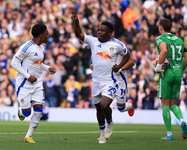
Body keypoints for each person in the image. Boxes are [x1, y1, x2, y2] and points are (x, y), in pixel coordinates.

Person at [71, 10, 133, 144]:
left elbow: (128, 56)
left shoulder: (117, 45)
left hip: (110, 81)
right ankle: (102, 132)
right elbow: (78, 34)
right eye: (98, 30)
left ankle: (109, 123)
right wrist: (76, 21)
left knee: (105, 106)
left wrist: (120, 66)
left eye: (102, 30)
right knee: (98, 107)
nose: (99, 32)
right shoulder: (93, 41)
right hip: (96, 81)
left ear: (110, 33)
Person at [10, 24, 56, 143]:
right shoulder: (26, 47)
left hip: (37, 82)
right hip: (24, 83)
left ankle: (28, 136)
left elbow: (37, 63)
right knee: (26, 113)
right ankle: (21, 109)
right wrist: (27, 76)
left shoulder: (41, 47)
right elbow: (14, 63)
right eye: (46, 34)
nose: (48, 35)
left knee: (39, 109)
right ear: (41, 35)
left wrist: (47, 68)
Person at [154, 18, 187, 140]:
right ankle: (182, 120)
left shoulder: (160, 39)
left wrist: (158, 66)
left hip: (166, 74)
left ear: (160, 28)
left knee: (165, 104)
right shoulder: (179, 40)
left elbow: (164, 50)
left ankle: (169, 135)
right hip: (178, 74)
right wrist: (181, 69)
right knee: (174, 104)